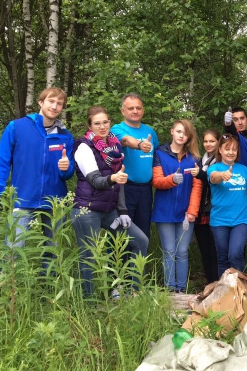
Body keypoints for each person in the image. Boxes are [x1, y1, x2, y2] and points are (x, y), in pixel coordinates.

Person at [0, 87, 74, 266]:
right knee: (14, 249)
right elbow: (1, 165)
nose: (55, 106)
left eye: (59, 104)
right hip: (22, 199)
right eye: (51, 101)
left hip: (54, 201)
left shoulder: (65, 136)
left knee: (54, 250)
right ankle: (9, 288)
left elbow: (68, 175)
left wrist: (66, 168)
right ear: (41, 102)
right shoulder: (17, 127)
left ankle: (48, 288)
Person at [71, 106, 149, 296]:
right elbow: (96, 181)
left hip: (109, 210)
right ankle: (88, 303)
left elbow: (119, 181)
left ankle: (134, 291)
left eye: (105, 122)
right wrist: (113, 179)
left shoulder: (114, 146)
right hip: (86, 210)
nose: (102, 126)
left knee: (140, 241)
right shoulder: (84, 147)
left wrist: (123, 211)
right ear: (90, 125)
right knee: (89, 256)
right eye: (97, 123)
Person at [151, 119, 202, 293]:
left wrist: (192, 211)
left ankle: (181, 289)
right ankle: (169, 290)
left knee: (182, 251)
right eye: (179, 131)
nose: (182, 135)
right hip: (164, 211)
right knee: (169, 251)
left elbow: (197, 186)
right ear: (172, 131)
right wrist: (171, 180)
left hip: (186, 213)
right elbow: (156, 181)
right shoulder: (159, 154)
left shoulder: (194, 158)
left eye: (185, 133)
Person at [208, 135, 247, 276]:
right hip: (219, 221)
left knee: (235, 254)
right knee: (223, 258)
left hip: (241, 219)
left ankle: (240, 288)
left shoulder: (244, 170)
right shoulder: (214, 168)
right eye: (227, 149)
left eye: (234, 149)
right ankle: (224, 292)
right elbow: (213, 178)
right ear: (220, 150)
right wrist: (222, 175)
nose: (231, 152)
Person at [111, 94, 159, 241]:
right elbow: (125, 140)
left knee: (143, 231)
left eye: (138, 108)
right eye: (130, 108)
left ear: (143, 110)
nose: (135, 111)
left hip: (146, 190)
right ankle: (118, 264)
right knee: (122, 231)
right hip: (125, 189)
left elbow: (157, 156)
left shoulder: (150, 131)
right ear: (123, 111)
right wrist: (139, 145)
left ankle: (139, 263)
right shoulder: (117, 129)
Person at [194, 129, 221, 284]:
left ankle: (218, 283)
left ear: (218, 143)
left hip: (215, 210)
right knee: (204, 250)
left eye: (212, 141)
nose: (208, 144)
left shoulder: (221, 162)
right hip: (200, 210)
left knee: (215, 250)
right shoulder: (200, 161)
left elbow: (212, 180)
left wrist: (200, 174)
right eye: (206, 141)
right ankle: (209, 283)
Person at [223, 106, 247, 176]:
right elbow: (231, 131)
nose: (240, 122)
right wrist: (228, 125)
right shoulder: (233, 136)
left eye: (242, 118)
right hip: (238, 178)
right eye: (235, 120)